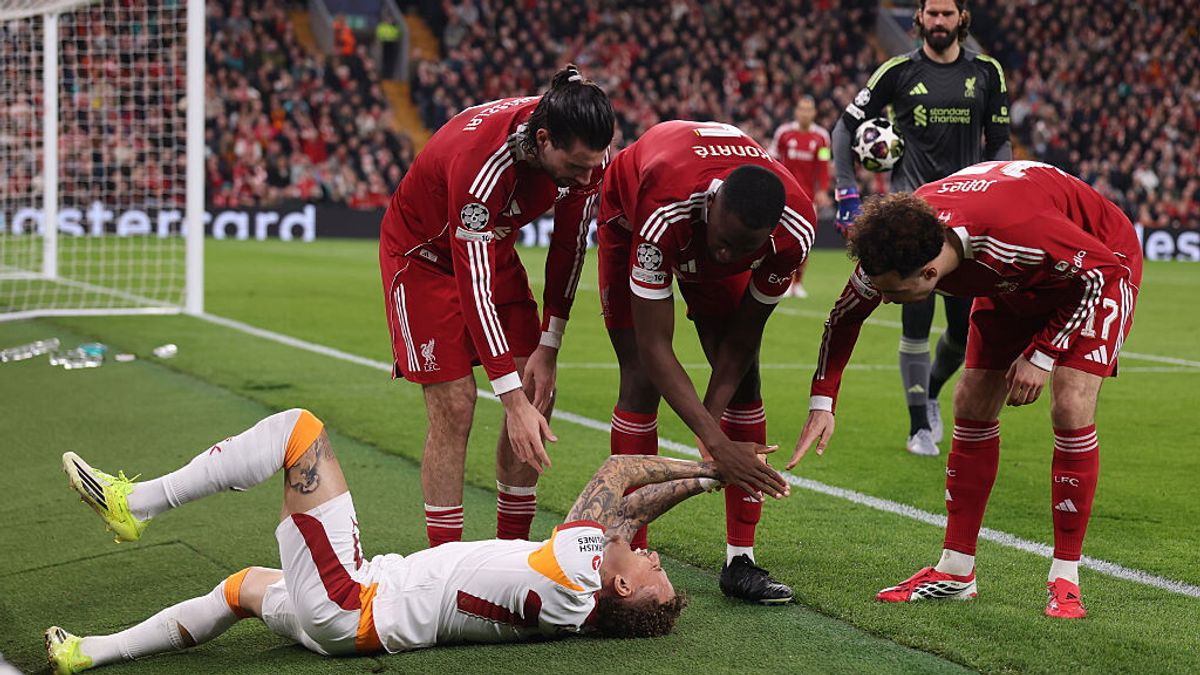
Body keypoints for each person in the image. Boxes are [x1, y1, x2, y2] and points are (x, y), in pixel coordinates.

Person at [46, 407, 735, 672]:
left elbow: (619, 475)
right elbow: (631, 512)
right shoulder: (578, 594)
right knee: (239, 589)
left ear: (620, 584)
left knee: (298, 433)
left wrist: (711, 458)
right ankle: (88, 653)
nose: (654, 553)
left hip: (352, 602)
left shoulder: (573, 573)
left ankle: (136, 504)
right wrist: (708, 480)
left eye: (655, 570)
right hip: (345, 626)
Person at [790, 160, 1142, 619]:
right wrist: (823, 402)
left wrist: (1042, 355)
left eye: (894, 294)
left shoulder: (1014, 231)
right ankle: (956, 571)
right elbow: (843, 317)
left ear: (930, 274)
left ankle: (1066, 579)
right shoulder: (898, 241)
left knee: (1071, 403)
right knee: (971, 400)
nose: (887, 300)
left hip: (1098, 266)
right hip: (1014, 275)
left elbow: (1099, 272)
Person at [378, 65, 613, 547]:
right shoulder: (482, 167)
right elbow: (473, 286)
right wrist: (511, 400)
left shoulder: (586, 153)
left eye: (593, 166)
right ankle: (445, 565)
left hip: (492, 247)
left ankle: (511, 555)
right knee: (456, 405)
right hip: (424, 258)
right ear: (543, 140)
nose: (587, 177)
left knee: (538, 389)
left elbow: (569, 248)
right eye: (576, 167)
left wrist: (550, 345)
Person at [597, 119, 811, 604]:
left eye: (742, 249)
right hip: (629, 214)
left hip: (694, 214)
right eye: (725, 240)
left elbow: (743, 338)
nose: (726, 254)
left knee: (745, 379)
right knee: (639, 379)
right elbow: (655, 347)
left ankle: (741, 561)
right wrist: (716, 442)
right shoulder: (665, 211)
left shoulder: (792, 235)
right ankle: (627, 552)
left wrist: (710, 428)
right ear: (712, 205)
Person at [831, 0, 1011, 456]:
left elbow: (1000, 142)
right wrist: (847, 191)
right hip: (912, 214)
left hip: (967, 218)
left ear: (961, 18)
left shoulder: (987, 72)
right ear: (920, 17)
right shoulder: (897, 71)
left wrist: (1003, 186)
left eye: (947, 14)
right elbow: (843, 129)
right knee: (915, 320)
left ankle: (930, 391)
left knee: (963, 331)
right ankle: (918, 427)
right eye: (932, 13)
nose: (938, 22)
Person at [768, 95, 832, 299]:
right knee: (779, 239)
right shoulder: (784, 134)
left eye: (808, 109)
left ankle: (797, 283)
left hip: (808, 198)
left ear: (814, 113)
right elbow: (772, 160)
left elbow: (823, 165)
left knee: (804, 241)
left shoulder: (822, 137)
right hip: (784, 196)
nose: (805, 113)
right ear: (796, 111)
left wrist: (823, 189)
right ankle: (782, 280)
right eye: (802, 109)